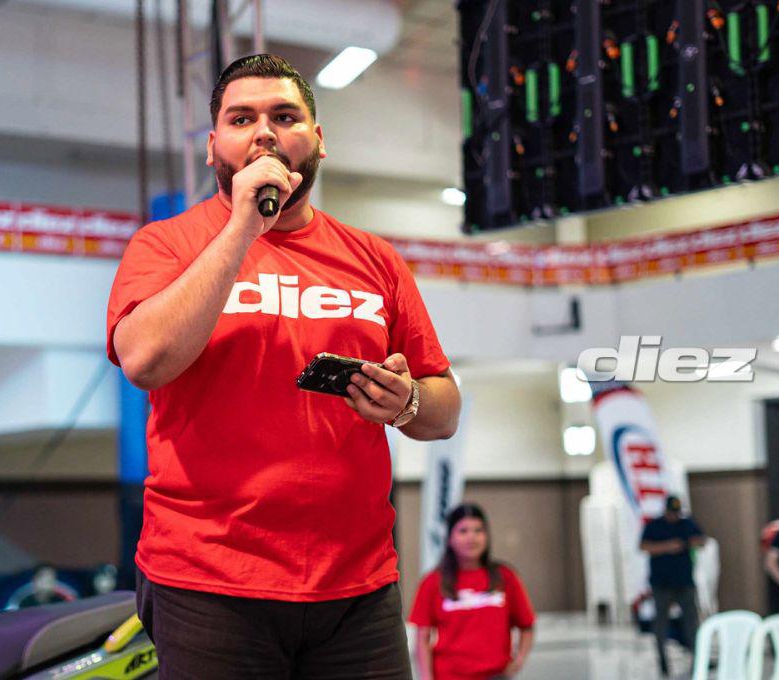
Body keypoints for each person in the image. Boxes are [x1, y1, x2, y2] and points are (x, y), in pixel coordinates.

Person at [107, 53, 461, 678]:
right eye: (241, 119)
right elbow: (144, 360)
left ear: (318, 140)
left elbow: (443, 409)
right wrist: (245, 225)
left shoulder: (374, 259)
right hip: (209, 583)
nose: (265, 132)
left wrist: (404, 402)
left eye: (285, 116)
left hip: (358, 587)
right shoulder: (165, 245)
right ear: (214, 145)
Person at [408, 503, 535, 680]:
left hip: (496, 675)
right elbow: (422, 638)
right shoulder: (432, 582)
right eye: (463, 531)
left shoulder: (505, 577)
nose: (472, 538)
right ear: (450, 538)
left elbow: (527, 625)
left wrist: (518, 661)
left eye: (478, 530)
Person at [640, 496, 706, 678]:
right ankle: (662, 660)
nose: (674, 516)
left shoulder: (687, 524)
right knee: (660, 623)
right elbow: (643, 546)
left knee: (691, 623)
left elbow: (702, 540)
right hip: (661, 584)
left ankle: (698, 657)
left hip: (684, 583)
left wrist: (687, 543)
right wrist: (667, 546)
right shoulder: (655, 526)